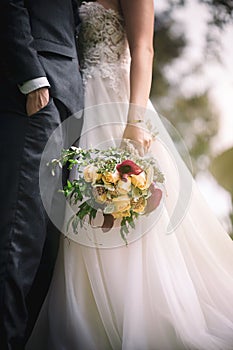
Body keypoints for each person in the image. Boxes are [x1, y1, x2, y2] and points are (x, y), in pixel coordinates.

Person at [26, 0, 233, 349]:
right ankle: (86, 317)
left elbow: (144, 48)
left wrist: (134, 122)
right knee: (80, 214)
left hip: (118, 102)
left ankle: (136, 317)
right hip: (77, 102)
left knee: (125, 211)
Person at [0, 1, 84, 349]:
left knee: (49, 253)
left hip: (72, 106)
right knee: (19, 240)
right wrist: (32, 79)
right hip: (37, 98)